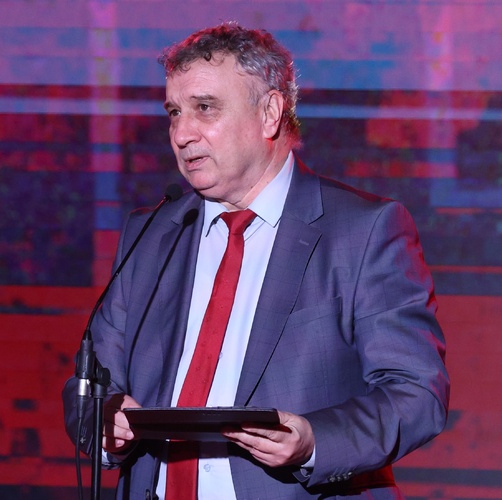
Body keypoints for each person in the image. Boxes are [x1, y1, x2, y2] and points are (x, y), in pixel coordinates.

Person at [62, 22, 449, 499]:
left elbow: (416, 393)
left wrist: (314, 441)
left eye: (205, 108)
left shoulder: (364, 231)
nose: (181, 133)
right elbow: (89, 384)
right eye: (174, 112)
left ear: (269, 114)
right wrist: (105, 420)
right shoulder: (150, 233)